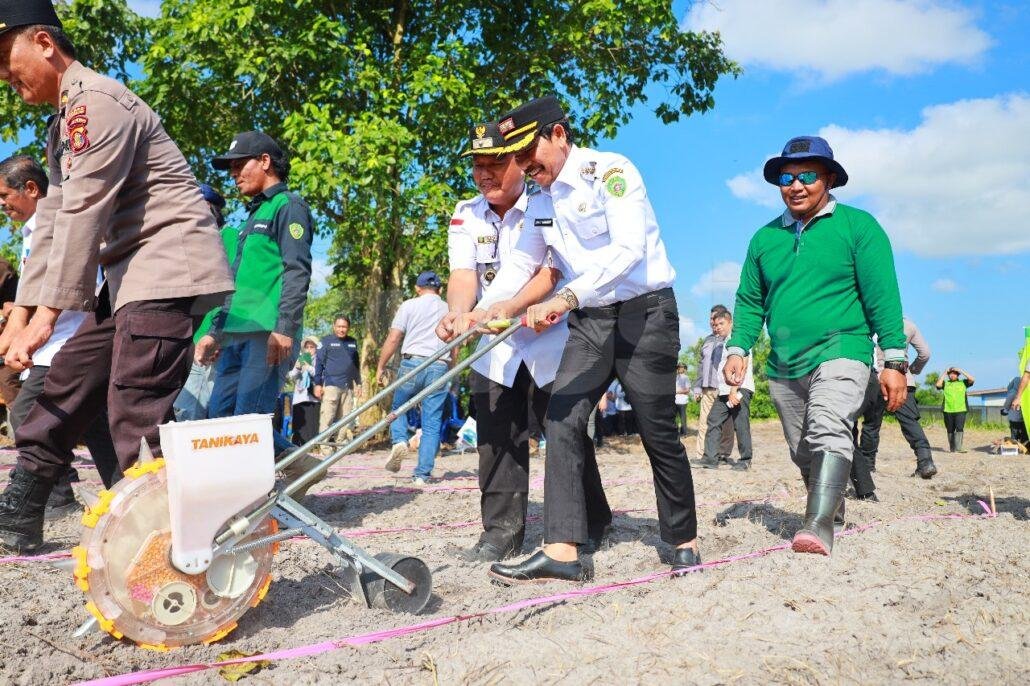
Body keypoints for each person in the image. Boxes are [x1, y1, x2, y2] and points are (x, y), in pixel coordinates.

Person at [0, 5, 235, 553]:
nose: (5, 78)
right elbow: (52, 221)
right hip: (128, 280)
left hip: (167, 269)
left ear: (44, 43)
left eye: (7, 61)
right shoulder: (64, 123)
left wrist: (46, 318)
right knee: (67, 379)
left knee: (134, 405)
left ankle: (174, 543)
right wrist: (21, 318)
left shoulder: (97, 104)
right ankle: (20, 513)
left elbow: (84, 214)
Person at [467, 96, 701, 582]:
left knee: (656, 429)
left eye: (527, 151)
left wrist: (565, 297)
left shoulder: (611, 172)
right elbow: (523, 261)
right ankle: (563, 550)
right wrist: (490, 307)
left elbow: (629, 249)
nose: (524, 165)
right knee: (561, 418)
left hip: (645, 316)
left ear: (558, 134)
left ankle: (683, 538)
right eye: (516, 156)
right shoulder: (540, 199)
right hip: (591, 323)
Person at [724, 135, 908, 557]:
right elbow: (750, 301)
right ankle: (833, 509)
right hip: (785, 360)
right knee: (803, 448)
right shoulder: (764, 239)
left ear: (830, 179)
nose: (796, 185)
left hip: (843, 348)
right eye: (786, 178)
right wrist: (737, 347)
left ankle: (818, 524)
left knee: (828, 425)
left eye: (807, 176)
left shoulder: (859, 227)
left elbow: (883, 296)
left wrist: (894, 359)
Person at [435, 121, 574, 561]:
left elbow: (547, 271)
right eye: (477, 165)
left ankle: (585, 522)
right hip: (493, 346)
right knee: (496, 440)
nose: (484, 174)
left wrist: (504, 309)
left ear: (518, 160)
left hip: (548, 338)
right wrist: (458, 314)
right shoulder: (465, 213)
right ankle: (500, 533)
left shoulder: (545, 204)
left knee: (566, 436)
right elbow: (463, 275)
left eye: (494, 163)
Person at [197, 130, 318, 491]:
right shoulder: (250, 216)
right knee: (220, 419)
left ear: (265, 161)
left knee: (247, 423)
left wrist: (284, 327)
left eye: (239, 165)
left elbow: (297, 271)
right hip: (234, 335)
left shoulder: (288, 206)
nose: (234, 174)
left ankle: (251, 503)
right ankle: (303, 465)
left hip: (266, 335)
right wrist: (215, 332)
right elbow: (236, 282)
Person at [0, 155, 120, 511]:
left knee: (28, 414)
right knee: (93, 420)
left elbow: (76, 281)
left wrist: (30, 324)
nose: (2, 204)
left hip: (66, 339)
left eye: (5, 195)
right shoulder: (33, 232)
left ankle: (57, 492)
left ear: (31, 189)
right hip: (51, 342)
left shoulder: (57, 228)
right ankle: (123, 489)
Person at [377, 271, 450, 485]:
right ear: (440, 289)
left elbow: (394, 338)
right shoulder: (449, 308)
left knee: (398, 408)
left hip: (412, 362)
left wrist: (381, 365)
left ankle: (400, 440)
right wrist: (452, 367)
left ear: (417, 288)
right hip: (440, 364)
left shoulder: (409, 305)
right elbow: (455, 342)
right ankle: (422, 475)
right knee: (432, 422)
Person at [173, 183, 230, 422]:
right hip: (186, 340)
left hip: (207, 342)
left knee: (189, 414)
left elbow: (232, 293)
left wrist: (215, 335)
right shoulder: (187, 246)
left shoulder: (227, 238)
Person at [856, 317, 938, 479]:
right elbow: (925, 354)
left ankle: (867, 466)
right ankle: (925, 462)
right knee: (910, 422)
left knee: (872, 424)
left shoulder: (869, 321)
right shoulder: (909, 325)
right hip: (902, 378)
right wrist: (912, 370)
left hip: (876, 379)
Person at [700, 311, 754, 470]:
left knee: (740, 424)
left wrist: (734, 390)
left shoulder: (738, 340)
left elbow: (743, 365)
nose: (717, 327)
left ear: (730, 323)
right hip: (724, 391)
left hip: (739, 389)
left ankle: (745, 460)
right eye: (715, 325)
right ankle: (710, 459)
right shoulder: (724, 342)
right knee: (713, 420)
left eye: (721, 324)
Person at [692, 305, 734, 462]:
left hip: (723, 387)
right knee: (704, 423)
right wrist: (697, 387)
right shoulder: (707, 339)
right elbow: (701, 364)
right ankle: (701, 455)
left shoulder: (729, 339)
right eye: (711, 319)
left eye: (715, 318)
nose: (712, 322)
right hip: (706, 388)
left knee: (725, 424)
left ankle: (722, 454)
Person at [314, 315, 362, 447]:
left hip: (348, 386)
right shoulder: (326, 341)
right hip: (331, 385)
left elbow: (356, 365)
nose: (341, 329)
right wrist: (317, 384)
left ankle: (340, 444)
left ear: (348, 328)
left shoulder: (352, 342)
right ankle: (324, 446)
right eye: (339, 326)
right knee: (327, 417)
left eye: (344, 327)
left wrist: (358, 383)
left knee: (346, 418)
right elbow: (319, 364)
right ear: (334, 327)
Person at [288, 336, 321, 446]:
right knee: (299, 425)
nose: (309, 349)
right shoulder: (300, 358)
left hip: (314, 398)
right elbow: (291, 376)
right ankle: (298, 447)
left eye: (312, 347)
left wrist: (308, 367)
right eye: (307, 347)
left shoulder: (320, 360)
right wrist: (297, 368)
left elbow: (319, 374)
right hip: (300, 397)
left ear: (316, 348)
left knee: (312, 425)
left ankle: (313, 447)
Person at [935, 366, 974, 452]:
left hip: (961, 410)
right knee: (950, 430)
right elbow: (938, 385)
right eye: (950, 374)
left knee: (959, 428)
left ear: (958, 375)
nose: (952, 375)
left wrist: (961, 370)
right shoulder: (945, 383)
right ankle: (952, 448)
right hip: (947, 410)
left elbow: (972, 379)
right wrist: (945, 372)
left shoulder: (963, 382)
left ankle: (958, 448)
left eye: (954, 374)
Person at [1002, 368, 1027, 447]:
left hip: (1014, 419)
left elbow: (1007, 404)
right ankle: (1023, 446)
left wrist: (1005, 410)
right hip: (1023, 419)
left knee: (1014, 435)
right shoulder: (1025, 393)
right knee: (1024, 435)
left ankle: (1014, 447)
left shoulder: (1012, 393)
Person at [674, 363, 690, 437]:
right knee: (674, 418)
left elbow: (687, 390)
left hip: (683, 401)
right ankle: (675, 432)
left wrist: (677, 392)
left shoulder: (686, 378)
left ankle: (684, 433)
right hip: (675, 400)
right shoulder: (675, 377)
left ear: (684, 369)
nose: (680, 368)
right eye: (679, 367)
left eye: (681, 367)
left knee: (682, 418)